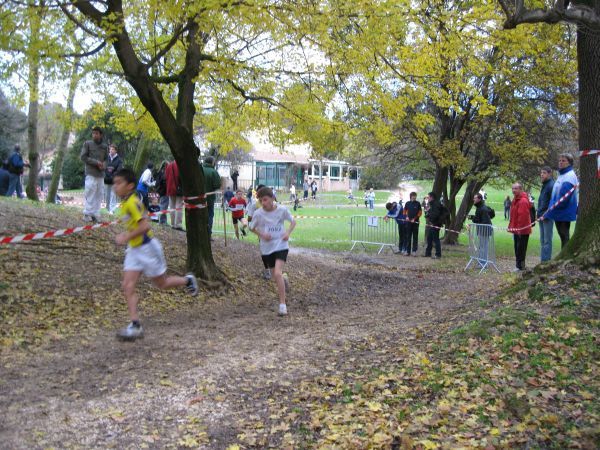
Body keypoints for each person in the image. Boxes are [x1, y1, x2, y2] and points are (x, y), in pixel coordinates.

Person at [111, 168, 198, 340]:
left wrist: (125, 236)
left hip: (148, 247)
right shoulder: (126, 203)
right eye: (114, 183)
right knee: (128, 286)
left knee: (162, 283)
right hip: (134, 250)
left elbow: (145, 226)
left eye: (119, 183)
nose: (115, 187)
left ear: (130, 186)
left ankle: (187, 280)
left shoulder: (134, 202)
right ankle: (135, 325)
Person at [249, 186, 296, 316]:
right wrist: (262, 235)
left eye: (265, 200)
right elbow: (251, 227)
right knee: (276, 274)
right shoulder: (258, 214)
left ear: (272, 198)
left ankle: (282, 305)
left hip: (281, 244)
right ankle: (283, 278)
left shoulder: (282, 210)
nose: (263, 203)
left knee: (277, 273)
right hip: (266, 248)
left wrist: (287, 233)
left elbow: (293, 222)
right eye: (261, 201)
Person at [546, 153, 578, 249]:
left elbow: (564, 196)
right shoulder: (561, 175)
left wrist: (554, 207)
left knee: (564, 235)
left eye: (563, 161)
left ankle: (566, 254)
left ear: (569, 163)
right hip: (557, 210)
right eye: (560, 160)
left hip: (564, 211)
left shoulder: (569, 176)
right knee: (562, 235)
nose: (560, 162)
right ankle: (564, 254)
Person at [80, 128, 107, 221]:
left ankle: (95, 214)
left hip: (101, 174)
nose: (94, 135)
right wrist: (96, 162)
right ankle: (87, 213)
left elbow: (106, 159)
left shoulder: (104, 147)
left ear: (101, 135)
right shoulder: (87, 144)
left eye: (96, 133)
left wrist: (104, 165)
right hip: (91, 173)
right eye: (93, 133)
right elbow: (83, 157)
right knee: (90, 192)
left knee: (99, 194)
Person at [508, 183, 535, 271]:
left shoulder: (522, 201)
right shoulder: (515, 199)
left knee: (521, 249)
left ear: (520, 189)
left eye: (516, 188)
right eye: (513, 188)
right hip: (517, 229)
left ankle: (520, 267)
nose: (514, 190)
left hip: (522, 230)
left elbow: (523, 217)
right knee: (517, 248)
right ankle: (518, 266)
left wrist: (520, 230)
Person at [469, 193, 494, 262]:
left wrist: (473, 219)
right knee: (481, 246)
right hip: (481, 230)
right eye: (474, 198)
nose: (473, 199)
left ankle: (483, 263)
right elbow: (479, 218)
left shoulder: (482, 208)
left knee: (483, 247)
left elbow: (484, 220)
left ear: (479, 199)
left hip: (484, 231)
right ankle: (481, 262)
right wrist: (473, 218)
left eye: (475, 198)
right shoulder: (480, 207)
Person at [537, 166, 555, 262]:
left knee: (547, 240)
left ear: (549, 173)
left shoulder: (551, 185)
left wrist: (546, 214)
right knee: (542, 239)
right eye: (541, 173)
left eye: (544, 173)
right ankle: (543, 260)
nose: (542, 175)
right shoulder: (545, 185)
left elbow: (553, 202)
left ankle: (545, 261)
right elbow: (542, 201)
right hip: (541, 216)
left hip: (547, 217)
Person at [202, 156, 222, 239]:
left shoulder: (200, 170)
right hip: (209, 199)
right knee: (209, 216)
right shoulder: (213, 172)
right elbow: (217, 185)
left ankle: (201, 234)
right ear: (212, 162)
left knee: (201, 216)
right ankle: (208, 234)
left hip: (198, 198)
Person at [103, 144, 123, 214]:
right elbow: (104, 166)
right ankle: (108, 209)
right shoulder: (106, 158)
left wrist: (113, 176)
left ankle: (112, 209)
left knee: (113, 195)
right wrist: (107, 174)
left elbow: (119, 170)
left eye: (112, 149)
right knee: (107, 195)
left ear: (115, 150)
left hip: (114, 180)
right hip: (107, 179)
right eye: (110, 149)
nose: (111, 151)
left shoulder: (119, 160)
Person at [424, 192, 444, 259]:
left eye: (428, 197)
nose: (427, 198)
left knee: (436, 239)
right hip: (432, 224)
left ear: (432, 197)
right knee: (429, 238)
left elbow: (436, 215)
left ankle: (438, 255)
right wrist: (427, 214)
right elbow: (431, 213)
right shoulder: (432, 204)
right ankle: (428, 253)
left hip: (435, 224)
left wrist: (432, 220)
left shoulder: (436, 204)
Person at [165, 160, 184, 230]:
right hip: (178, 188)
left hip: (170, 188)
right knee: (179, 206)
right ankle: (178, 224)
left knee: (172, 206)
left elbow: (166, 177)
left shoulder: (169, 165)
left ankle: (172, 223)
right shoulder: (180, 165)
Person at [403, 191, 422, 256]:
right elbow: (404, 211)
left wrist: (415, 219)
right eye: (413, 197)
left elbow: (420, 213)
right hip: (408, 223)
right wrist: (406, 217)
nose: (414, 198)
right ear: (410, 197)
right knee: (408, 236)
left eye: (415, 197)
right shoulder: (407, 203)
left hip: (415, 222)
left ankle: (414, 251)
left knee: (415, 237)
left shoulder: (418, 203)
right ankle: (408, 251)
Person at [154, 161, 169, 225]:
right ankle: (162, 221)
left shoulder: (159, 172)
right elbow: (165, 183)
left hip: (160, 191)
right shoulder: (164, 173)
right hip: (164, 192)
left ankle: (161, 220)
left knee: (162, 205)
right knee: (164, 206)